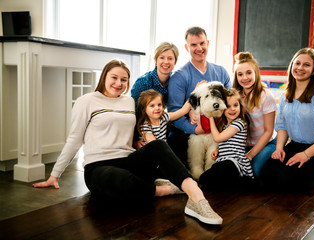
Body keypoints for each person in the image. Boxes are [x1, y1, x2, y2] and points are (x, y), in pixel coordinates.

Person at [33, 59, 223, 225]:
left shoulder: (128, 102)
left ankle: (197, 198)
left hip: (127, 161)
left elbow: (141, 125)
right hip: (98, 166)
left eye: (123, 80)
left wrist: (191, 107)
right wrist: (55, 175)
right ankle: (164, 189)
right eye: (114, 77)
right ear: (104, 76)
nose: (118, 83)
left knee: (157, 145)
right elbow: (74, 139)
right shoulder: (87, 101)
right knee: (117, 181)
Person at [261, 48, 314, 191]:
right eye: (297, 63)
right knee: (266, 175)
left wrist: (306, 155)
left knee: (286, 181)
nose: (300, 68)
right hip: (295, 146)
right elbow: (282, 126)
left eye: (306, 65)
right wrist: (279, 148)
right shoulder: (285, 96)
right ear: (292, 66)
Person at [167, 26, 232, 165]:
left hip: (218, 129)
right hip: (189, 131)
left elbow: (231, 104)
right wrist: (196, 129)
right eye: (193, 45)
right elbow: (174, 114)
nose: (199, 48)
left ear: (207, 43)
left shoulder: (221, 72)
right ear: (187, 47)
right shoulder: (179, 77)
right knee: (175, 142)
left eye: (202, 43)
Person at [233, 52, 277, 178]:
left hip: (267, 142)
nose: (244, 78)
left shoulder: (266, 95)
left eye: (248, 73)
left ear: (256, 73)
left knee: (254, 172)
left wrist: (251, 154)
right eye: (240, 74)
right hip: (245, 144)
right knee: (236, 170)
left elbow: (268, 131)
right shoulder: (236, 96)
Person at [199, 89, 254, 189]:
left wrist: (211, 118)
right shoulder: (224, 125)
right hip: (224, 161)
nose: (232, 109)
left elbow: (217, 138)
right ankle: (234, 184)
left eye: (235, 105)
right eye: (228, 106)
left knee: (224, 168)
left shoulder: (239, 123)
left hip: (235, 163)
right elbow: (228, 142)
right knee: (203, 178)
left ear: (240, 106)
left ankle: (246, 181)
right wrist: (218, 150)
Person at [131, 42, 179, 108]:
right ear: (156, 60)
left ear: (175, 62)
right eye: (162, 58)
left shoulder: (177, 82)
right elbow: (135, 112)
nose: (166, 62)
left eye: (170, 58)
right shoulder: (142, 83)